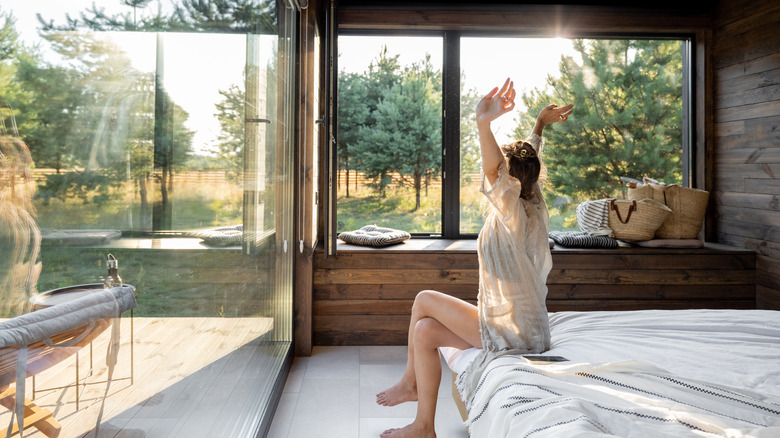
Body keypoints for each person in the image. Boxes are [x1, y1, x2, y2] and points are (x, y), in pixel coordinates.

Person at [376, 78, 573, 438]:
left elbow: (496, 169)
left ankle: (410, 383)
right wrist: (540, 125)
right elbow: (528, 155)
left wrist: (483, 123)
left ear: (508, 179)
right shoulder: (533, 198)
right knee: (424, 332)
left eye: (502, 173)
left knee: (423, 299)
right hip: (527, 328)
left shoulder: (510, 208)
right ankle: (423, 425)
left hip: (514, 334)